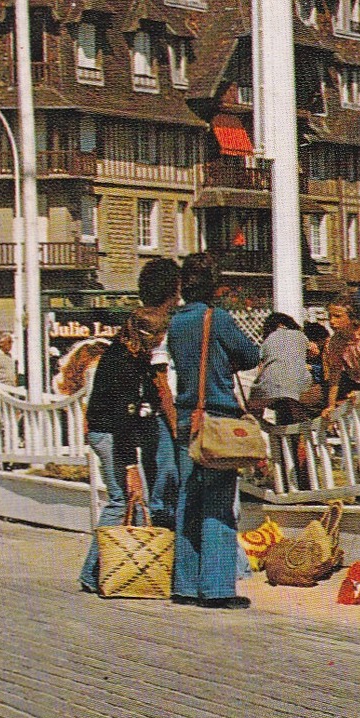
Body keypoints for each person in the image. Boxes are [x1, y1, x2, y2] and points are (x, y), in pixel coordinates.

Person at [167, 252, 261, 610]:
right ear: (214, 286)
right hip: (216, 421)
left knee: (188, 502)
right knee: (219, 504)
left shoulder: (177, 322)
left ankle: (186, 585)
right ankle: (219, 588)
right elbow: (250, 355)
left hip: (186, 418)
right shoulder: (216, 318)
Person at [78, 304, 169, 593]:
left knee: (132, 503)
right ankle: (93, 573)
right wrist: (130, 466)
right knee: (121, 499)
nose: (162, 340)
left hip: (108, 431)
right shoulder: (123, 362)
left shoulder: (127, 354)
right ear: (148, 334)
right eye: (160, 335)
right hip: (110, 434)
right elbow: (123, 416)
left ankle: (130, 572)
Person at [135, 257, 182, 524]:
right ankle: (164, 536)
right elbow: (160, 381)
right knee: (167, 476)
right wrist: (174, 421)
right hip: (158, 415)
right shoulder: (158, 327)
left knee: (159, 475)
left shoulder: (140, 321)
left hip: (146, 414)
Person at [250, 312, 320, 426]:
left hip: (270, 389)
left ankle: (256, 422)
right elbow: (315, 351)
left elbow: (261, 368)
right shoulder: (301, 335)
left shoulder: (267, 341)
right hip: (298, 387)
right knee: (295, 400)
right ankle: (301, 440)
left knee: (256, 403)